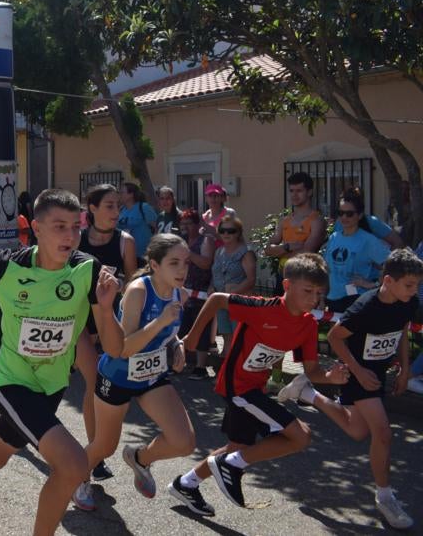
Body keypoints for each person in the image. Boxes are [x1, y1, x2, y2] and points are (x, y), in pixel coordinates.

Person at [0, 188, 120, 536]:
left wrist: (107, 311)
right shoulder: (7, 265)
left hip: (51, 383)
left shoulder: (87, 270)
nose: (70, 236)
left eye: (75, 227)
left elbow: (115, 349)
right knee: (73, 464)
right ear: (36, 228)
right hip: (9, 378)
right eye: (59, 227)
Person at [171, 253, 347, 517]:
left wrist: (330, 378)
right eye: (308, 290)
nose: (314, 299)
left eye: (319, 293)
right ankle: (231, 466)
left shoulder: (308, 324)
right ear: (287, 285)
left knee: (237, 447)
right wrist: (192, 339)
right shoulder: (262, 308)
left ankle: (186, 484)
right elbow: (216, 299)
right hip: (237, 387)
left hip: (256, 388)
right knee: (301, 436)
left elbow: (312, 370)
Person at [276, 249, 422, 530]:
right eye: (409, 284)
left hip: (376, 373)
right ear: (388, 281)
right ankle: (385, 498)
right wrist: (358, 371)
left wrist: (405, 368)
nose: (414, 290)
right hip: (357, 373)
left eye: (417, 285)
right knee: (383, 432)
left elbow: (402, 331)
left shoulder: (407, 301)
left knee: (357, 430)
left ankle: (307, 393)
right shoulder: (366, 307)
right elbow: (334, 337)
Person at [72, 234, 196, 511]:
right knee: (104, 446)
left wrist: (177, 345)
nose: (182, 270)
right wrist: (160, 321)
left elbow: (170, 332)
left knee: (184, 442)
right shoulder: (138, 291)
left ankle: (139, 459)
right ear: (155, 264)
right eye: (174, 263)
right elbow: (124, 348)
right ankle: (77, 478)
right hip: (117, 375)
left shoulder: (181, 294)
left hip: (151, 376)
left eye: (186, 263)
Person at [77, 183, 138, 481]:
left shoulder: (125, 241)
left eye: (118, 206)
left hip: (107, 321)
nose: (116, 211)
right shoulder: (76, 239)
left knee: (96, 384)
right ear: (93, 208)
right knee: (89, 383)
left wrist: (119, 286)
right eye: (109, 206)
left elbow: (133, 283)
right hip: (77, 321)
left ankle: (95, 454)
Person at [323, 190, 390, 314]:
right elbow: (326, 269)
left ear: (359, 215)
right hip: (332, 299)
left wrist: (372, 284)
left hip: (355, 299)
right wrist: (322, 297)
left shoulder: (368, 240)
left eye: (349, 214)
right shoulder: (334, 237)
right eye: (340, 213)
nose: (344, 217)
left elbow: (392, 265)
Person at [263, 172, 326, 292]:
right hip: (282, 278)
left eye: (299, 191)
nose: (294, 195)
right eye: (291, 191)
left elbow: (306, 253)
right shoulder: (284, 220)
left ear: (309, 192)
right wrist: (287, 247)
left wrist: (279, 251)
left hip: (303, 278)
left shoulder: (316, 221)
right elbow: (267, 250)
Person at [209, 215, 256, 362]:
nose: (226, 234)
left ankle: (238, 368)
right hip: (221, 303)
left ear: (238, 232)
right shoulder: (219, 251)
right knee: (226, 336)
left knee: (239, 337)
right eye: (223, 230)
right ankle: (227, 368)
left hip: (238, 302)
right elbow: (215, 273)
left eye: (231, 231)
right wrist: (211, 286)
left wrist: (231, 293)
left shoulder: (246, 252)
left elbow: (251, 280)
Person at [176, 209, 215, 380]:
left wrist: (188, 253)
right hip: (184, 291)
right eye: (182, 224)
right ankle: (182, 362)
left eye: (189, 224)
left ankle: (201, 367)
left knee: (202, 328)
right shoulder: (181, 241)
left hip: (202, 290)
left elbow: (206, 263)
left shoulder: (205, 240)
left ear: (198, 224)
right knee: (181, 327)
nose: (185, 227)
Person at [117, 182, 156, 260]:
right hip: (125, 254)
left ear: (131, 195)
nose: (119, 195)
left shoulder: (144, 207)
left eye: (122, 192)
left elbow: (157, 228)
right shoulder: (121, 210)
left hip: (143, 255)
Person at [201, 183, 236, 248]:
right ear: (206, 198)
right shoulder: (204, 216)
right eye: (210, 195)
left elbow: (231, 237)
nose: (213, 198)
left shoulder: (229, 213)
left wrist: (208, 228)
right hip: (208, 252)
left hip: (226, 251)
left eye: (216, 195)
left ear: (222, 198)